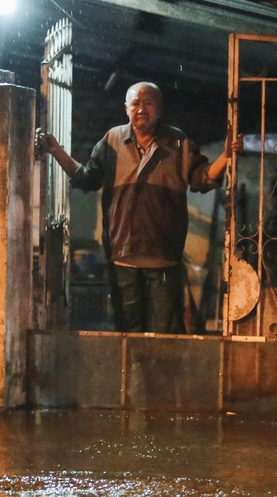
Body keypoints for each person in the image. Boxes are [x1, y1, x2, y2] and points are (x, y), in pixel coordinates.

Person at [37, 81, 242, 333]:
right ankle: (133, 374)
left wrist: (226, 157)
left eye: (148, 103)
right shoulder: (112, 140)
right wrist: (57, 151)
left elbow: (203, 178)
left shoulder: (177, 142)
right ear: (126, 108)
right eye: (135, 103)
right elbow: (88, 178)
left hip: (164, 254)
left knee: (165, 334)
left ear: (159, 108)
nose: (141, 109)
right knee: (127, 332)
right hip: (122, 254)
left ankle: (160, 374)